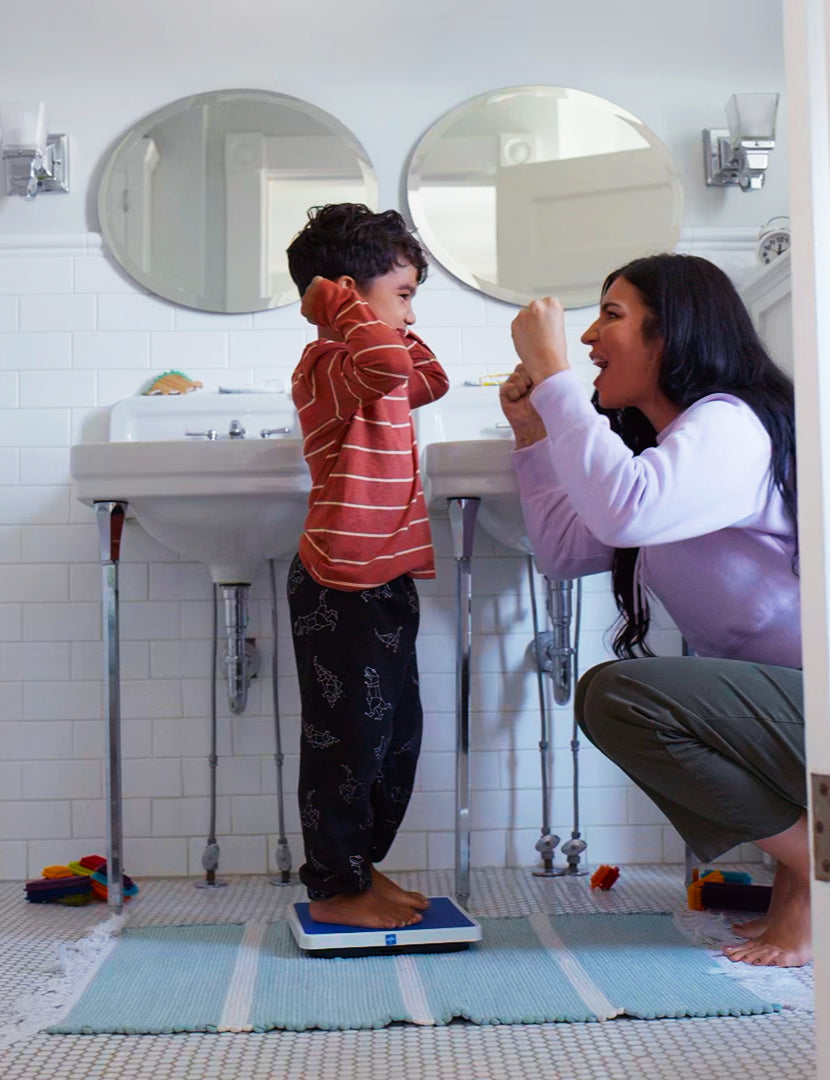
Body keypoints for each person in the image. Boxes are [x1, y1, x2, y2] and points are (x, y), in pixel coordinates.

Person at [498, 253, 808, 967]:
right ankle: (815, 874)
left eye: (610, 317)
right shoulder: (672, 448)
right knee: (616, 696)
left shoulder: (730, 425)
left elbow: (626, 508)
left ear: (673, 335)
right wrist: (532, 433)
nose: (586, 340)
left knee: (620, 696)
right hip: (783, 710)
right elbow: (570, 550)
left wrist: (554, 379)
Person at [285, 204, 449, 929]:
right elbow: (383, 363)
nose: (410, 315)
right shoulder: (328, 366)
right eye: (404, 294)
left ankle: (359, 869)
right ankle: (334, 886)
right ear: (346, 295)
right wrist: (351, 315)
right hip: (337, 584)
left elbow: (431, 381)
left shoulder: (374, 361)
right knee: (345, 742)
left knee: (391, 738)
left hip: (383, 578)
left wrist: (393, 321)